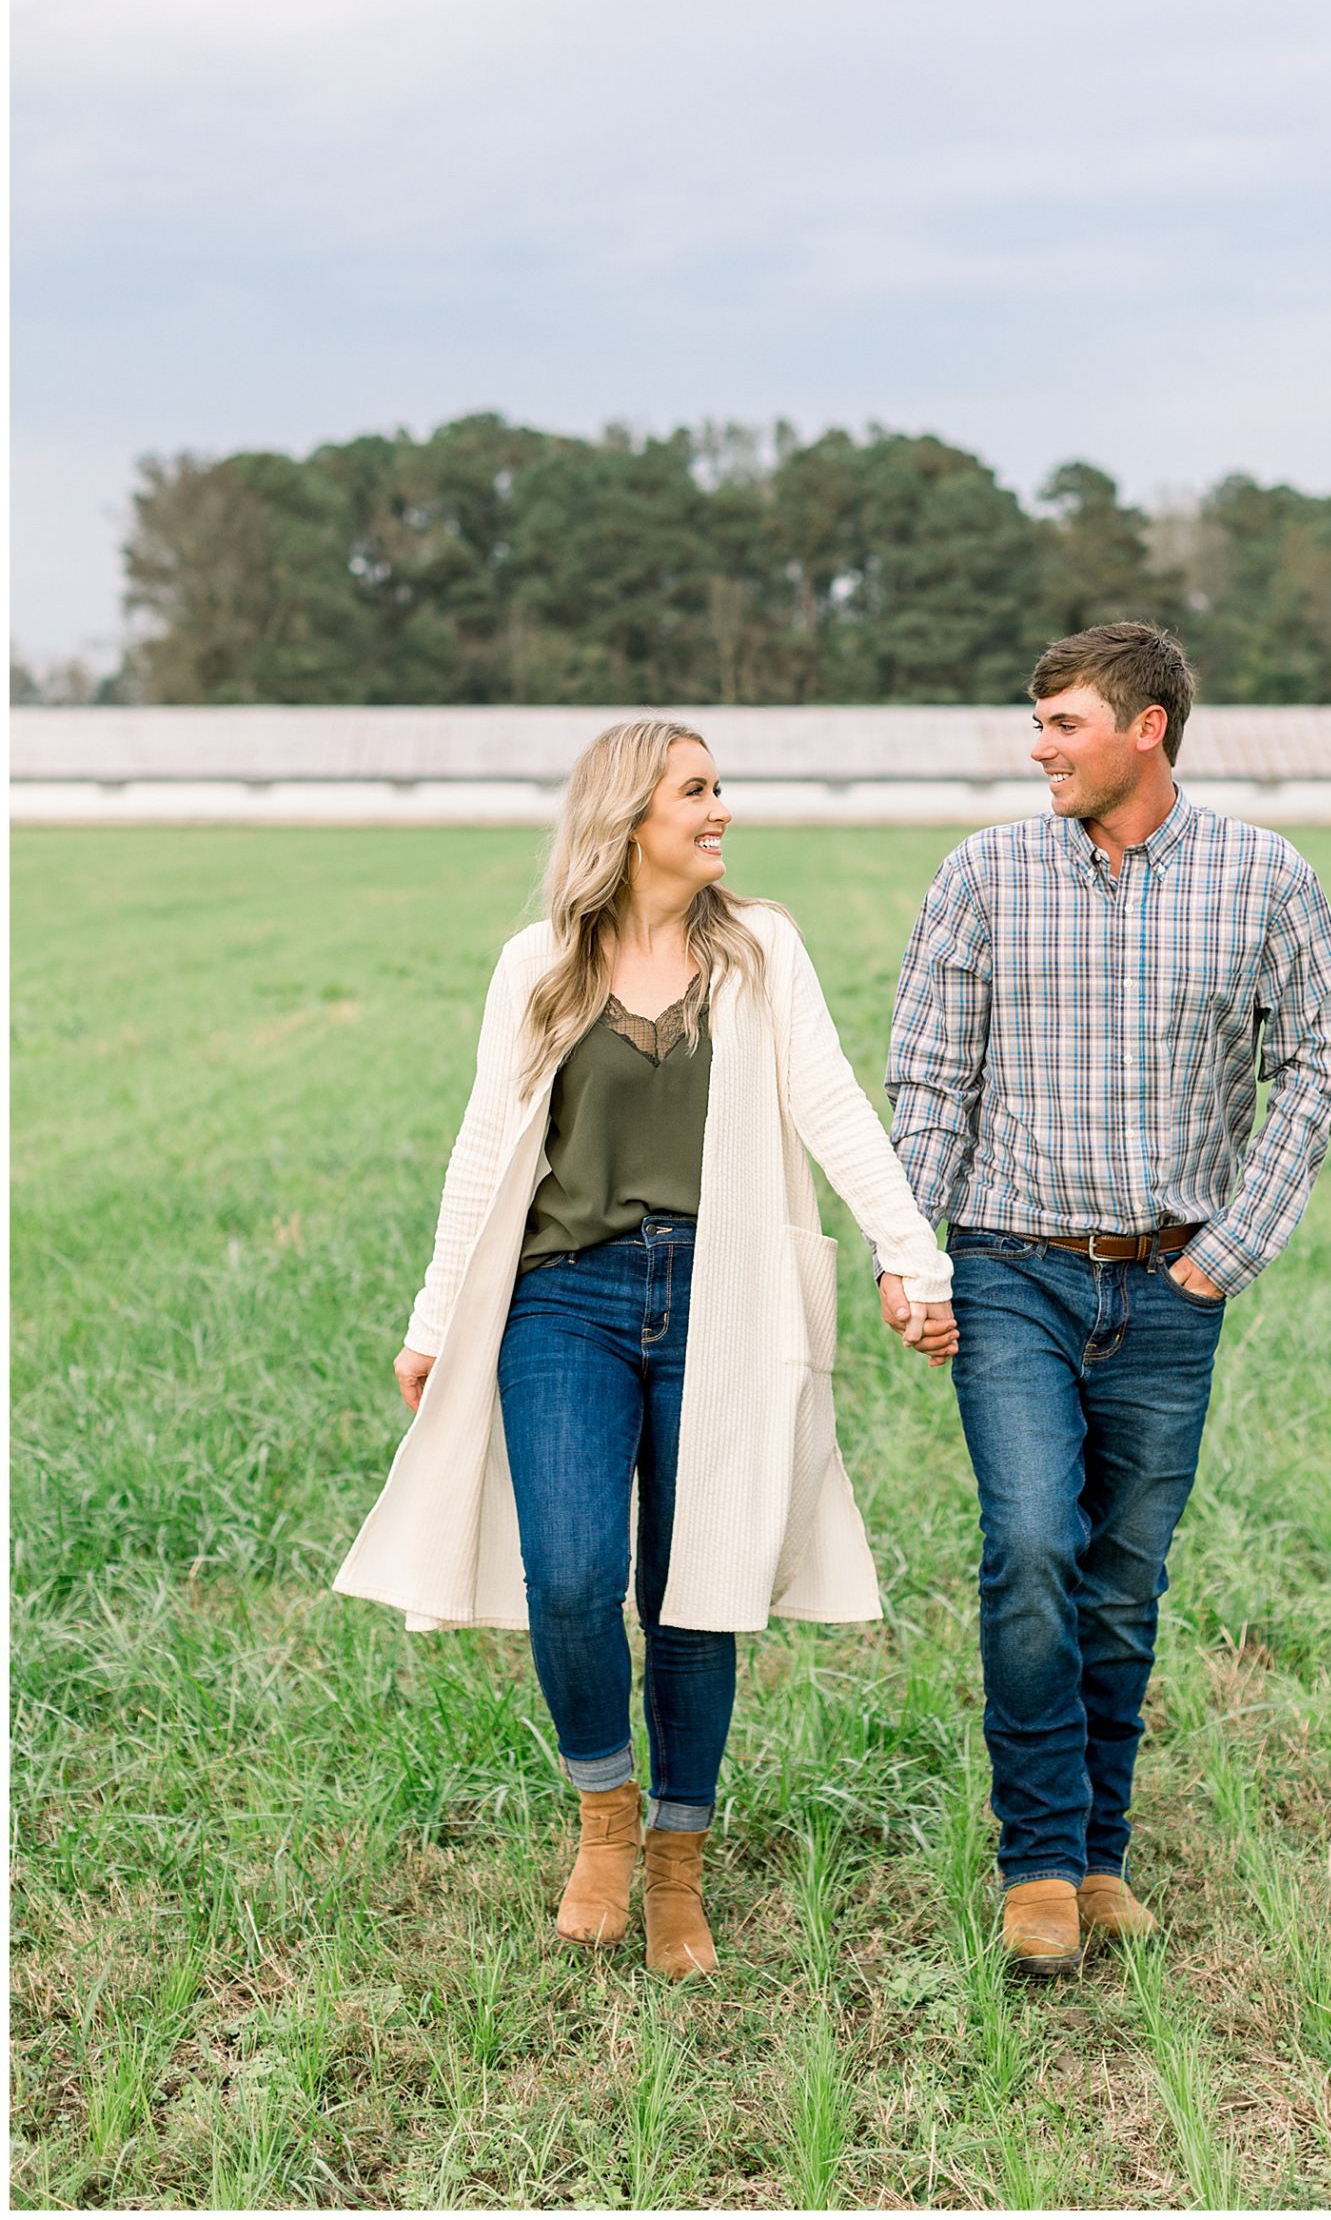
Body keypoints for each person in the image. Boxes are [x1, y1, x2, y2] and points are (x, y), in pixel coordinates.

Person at [335, 718, 956, 1979]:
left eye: (719, 787)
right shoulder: (540, 963)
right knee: (570, 1574)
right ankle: (603, 1814)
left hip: (724, 1294)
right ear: (628, 818)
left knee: (700, 1583)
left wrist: (912, 1251)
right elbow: (480, 1147)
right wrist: (431, 1319)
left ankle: (678, 1857)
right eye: (696, 791)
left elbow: (830, 1102)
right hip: (564, 1296)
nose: (721, 809)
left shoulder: (760, 948)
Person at [881, 621, 1331, 1976]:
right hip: (1009, 1266)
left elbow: (1315, 1068)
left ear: (1148, 727)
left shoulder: (1265, 880)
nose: (1039, 748)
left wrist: (1228, 1249)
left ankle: (1099, 1855)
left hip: (1169, 1286)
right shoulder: (982, 875)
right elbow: (929, 1082)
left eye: (1064, 724)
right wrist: (911, 1254)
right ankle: (1036, 1863)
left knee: (1122, 1582)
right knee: (1032, 1541)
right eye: (1035, 725)